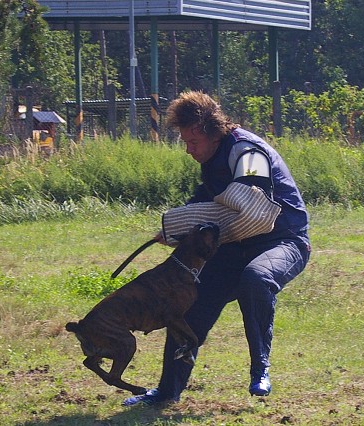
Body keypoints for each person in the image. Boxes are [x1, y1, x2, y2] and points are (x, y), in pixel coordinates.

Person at [123, 91, 311, 406]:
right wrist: (175, 227)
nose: (188, 149)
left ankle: (260, 367)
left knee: (256, 278)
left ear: (211, 132)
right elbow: (209, 198)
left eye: (192, 142)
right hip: (235, 246)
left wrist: (189, 222)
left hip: (284, 239)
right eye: (185, 142)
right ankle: (167, 392)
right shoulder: (211, 160)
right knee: (188, 302)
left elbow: (254, 207)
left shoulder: (248, 153)